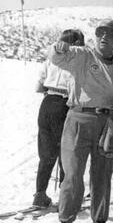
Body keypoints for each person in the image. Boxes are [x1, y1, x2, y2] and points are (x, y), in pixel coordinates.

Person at [48, 19, 113, 223]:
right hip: (78, 120)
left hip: (106, 125)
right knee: (72, 175)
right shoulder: (83, 55)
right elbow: (57, 57)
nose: (103, 37)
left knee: (102, 177)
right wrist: (58, 47)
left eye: (109, 34)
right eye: (100, 32)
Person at [32, 29, 85, 208]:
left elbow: (39, 86)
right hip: (64, 105)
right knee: (67, 154)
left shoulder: (51, 59)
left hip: (46, 104)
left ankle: (40, 194)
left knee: (46, 154)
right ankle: (66, 197)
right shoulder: (75, 61)